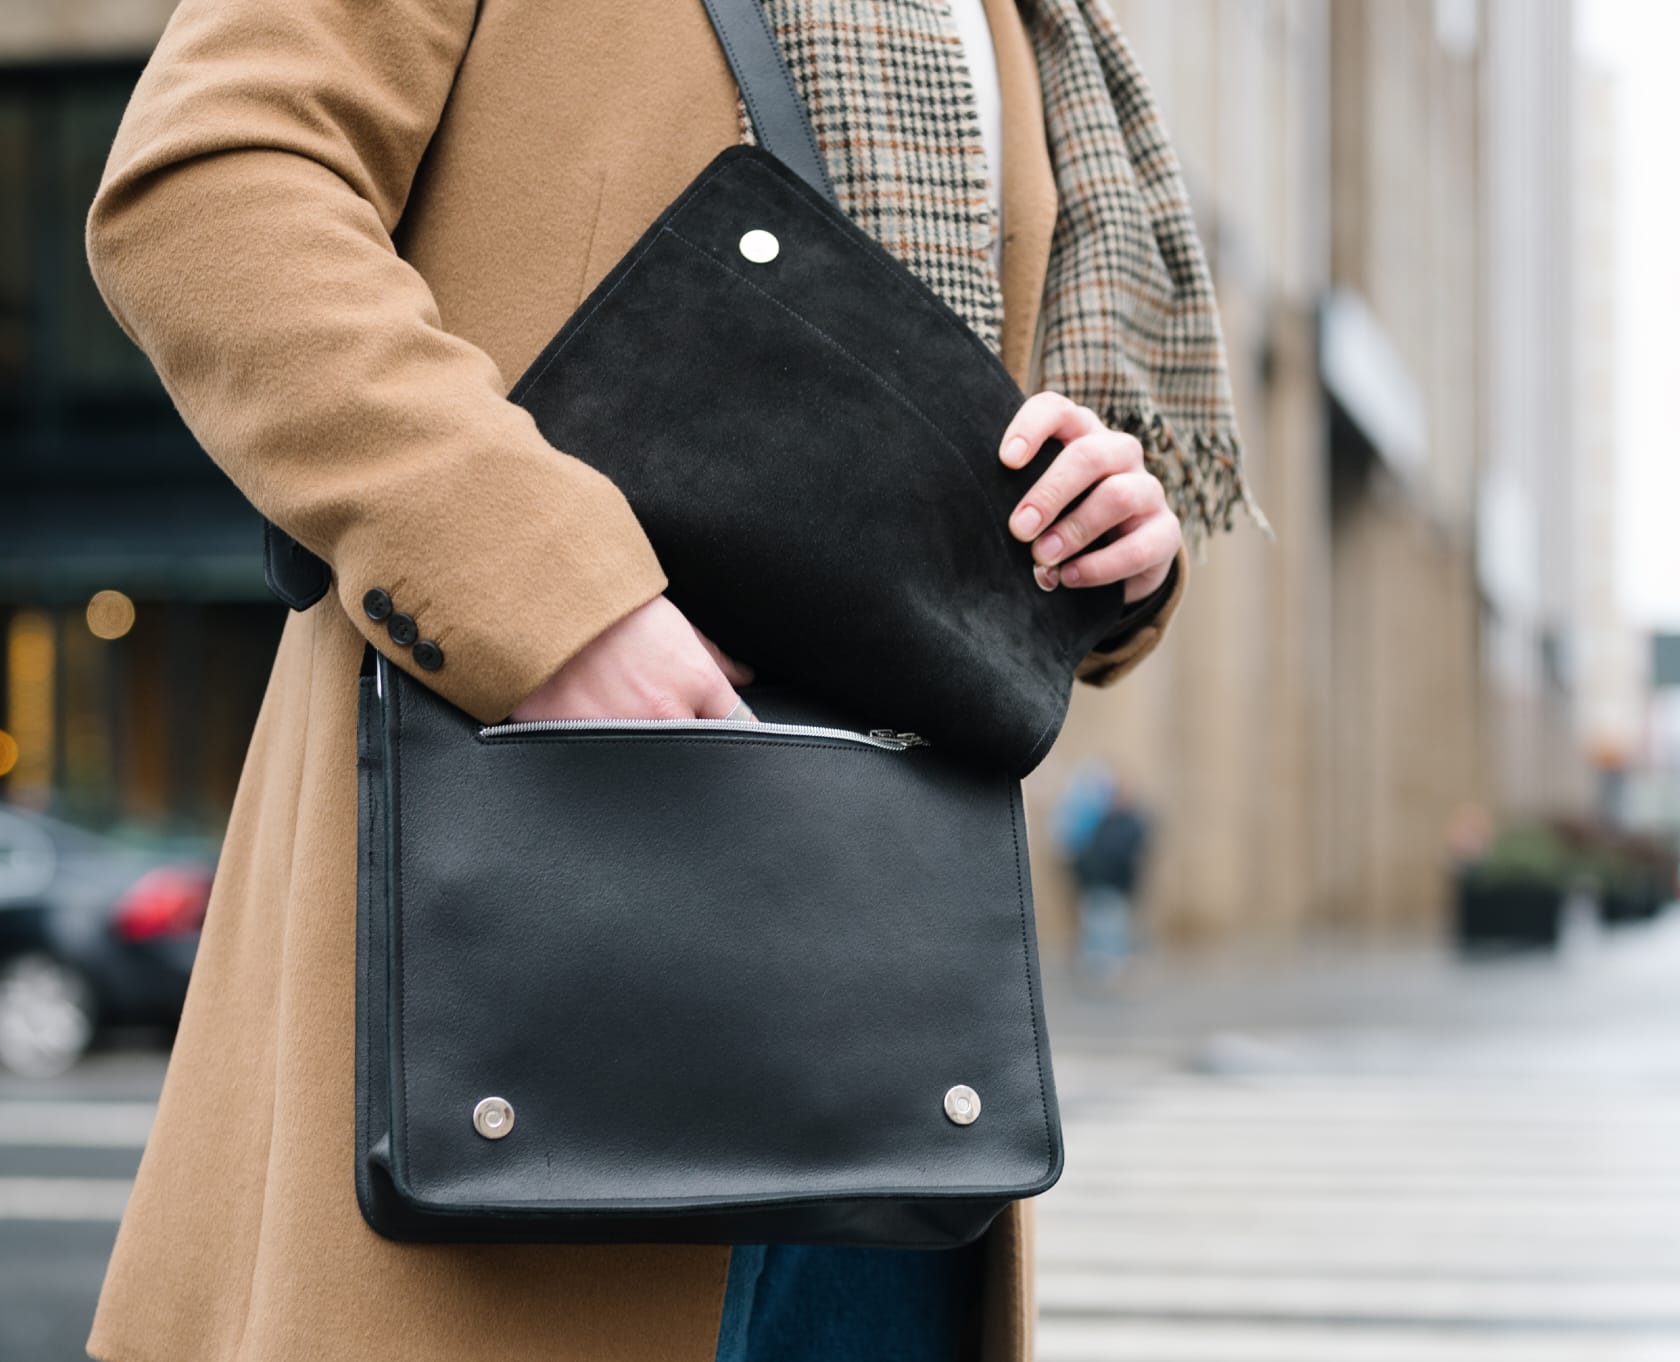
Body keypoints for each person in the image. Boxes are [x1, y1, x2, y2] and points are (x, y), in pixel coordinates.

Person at [79, 2, 1253, 1360]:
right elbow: (211, 185)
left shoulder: (1010, 18)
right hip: (534, 932)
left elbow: (943, 431)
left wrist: (1105, 538)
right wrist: (542, 589)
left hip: (877, 1024)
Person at [1068, 776, 1154, 989]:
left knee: (1111, 932)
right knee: (1098, 932)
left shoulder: (1131, 823)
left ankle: (1111, 977)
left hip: (1115, 886)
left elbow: (1123, 855)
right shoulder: (1104, 820)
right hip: (1097, 885)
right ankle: (1100, 977)